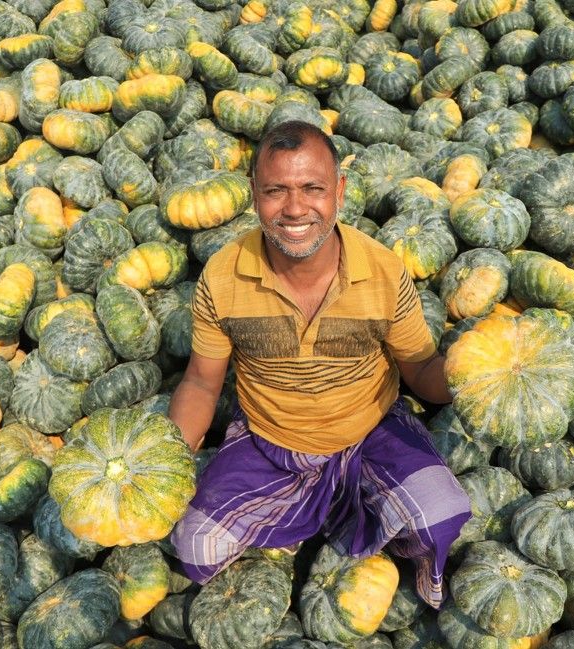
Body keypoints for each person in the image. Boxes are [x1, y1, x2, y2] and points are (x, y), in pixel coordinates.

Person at [168, 120, 471, 608]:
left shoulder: (383, 269)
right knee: (194, 549)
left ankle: (308, 521)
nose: (294, 208)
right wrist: (165, 460)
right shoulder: (223, 274)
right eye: (275, 191)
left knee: (442, 515)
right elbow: (202, 384)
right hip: (272, 440)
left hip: (369, 430)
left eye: (313, 188)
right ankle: (339, 516)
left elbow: (420, 371)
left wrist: (469, 371)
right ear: (253, 195)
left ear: (340, 192)